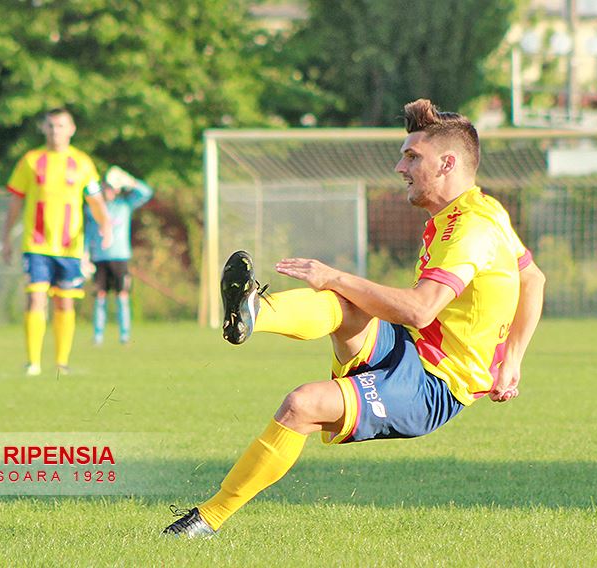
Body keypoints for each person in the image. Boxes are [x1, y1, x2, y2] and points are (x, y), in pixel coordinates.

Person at [163, 98, 546, 537]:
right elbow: (533, 278)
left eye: (411, 157)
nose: (400, 167)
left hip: (435, 385)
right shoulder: (482, 209)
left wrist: (336, 276)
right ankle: (253, 312)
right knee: (344, 305)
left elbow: (420, 309)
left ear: (447, 163)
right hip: (412, 348)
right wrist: (512, 360)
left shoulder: (471, 229)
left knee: (301, 405)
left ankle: (206, 520)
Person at [1, 108, 112, 377]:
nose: (55, 131)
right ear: (43, 129)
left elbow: (95, 200)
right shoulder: (31, 160)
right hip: (36, 245)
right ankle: (33, 363)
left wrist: (106, 225)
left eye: (61, 126)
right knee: (35, 298)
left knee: (64, 303)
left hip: (69, 246)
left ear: (71, 129)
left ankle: (61, 363)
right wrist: (6, 237)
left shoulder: (82, 163)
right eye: (50, 126)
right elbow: (15, 201)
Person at [84, 166, 153, 345]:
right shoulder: (93, 209)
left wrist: (130, 181)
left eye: (112, 188)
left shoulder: (124, 205)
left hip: (120, 257)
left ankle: (124, 336)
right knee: (100, 297)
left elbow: (146, 193)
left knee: (122, 296)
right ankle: (98, 336)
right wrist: (85, 255)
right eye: (106, 187)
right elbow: (88, 234)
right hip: (99, 258)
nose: (109, 191)